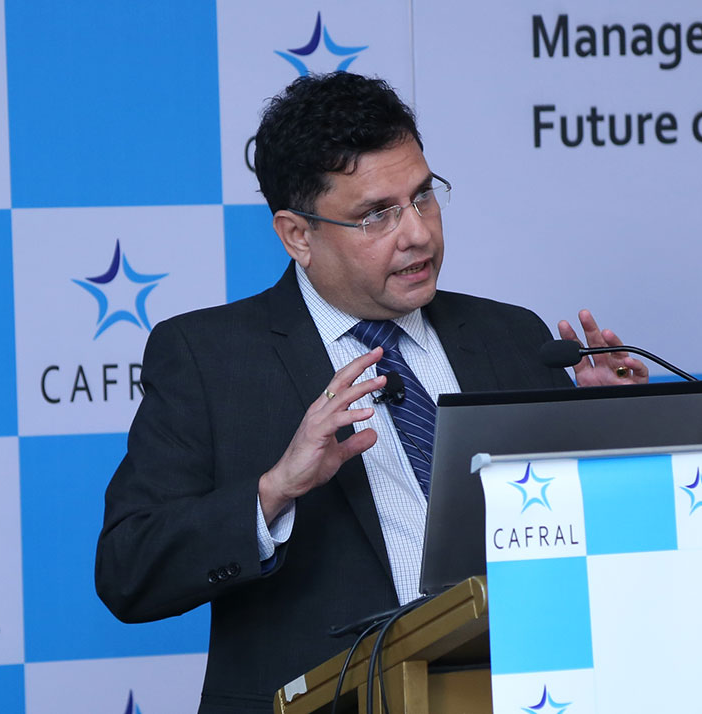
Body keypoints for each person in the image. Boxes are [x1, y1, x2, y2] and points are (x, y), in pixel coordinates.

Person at [95, 72, 648, 713]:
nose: (417, 233)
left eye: (423, 197)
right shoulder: (209, 358)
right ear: (298, 235)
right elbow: (128, 571)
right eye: (376, 215)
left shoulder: (511, 337)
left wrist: (608, 430)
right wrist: (275, 489)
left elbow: (581, 545)